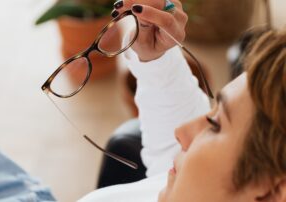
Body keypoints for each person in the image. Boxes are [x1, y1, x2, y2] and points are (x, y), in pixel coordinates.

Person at [78, 0, 286, 201]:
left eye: (215, 125)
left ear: (272, 192)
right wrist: (155, 58)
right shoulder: (188, 183)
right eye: (213, 113)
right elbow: (175, 141)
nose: (180, 132)